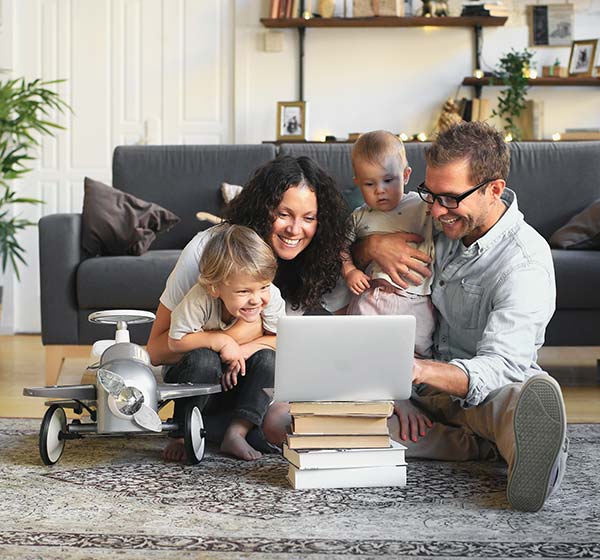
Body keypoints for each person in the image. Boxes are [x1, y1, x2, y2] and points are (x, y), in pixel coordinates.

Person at [352, 121, 568, 512]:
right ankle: (484, 448)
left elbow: (500, 365)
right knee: (340, 428)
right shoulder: (436, 222)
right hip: (420, 396)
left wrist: (416, 369)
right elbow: (365, 229)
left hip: (484, 388)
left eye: (450, 198)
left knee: (513, 399)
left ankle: (525, 443)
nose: (435, 210)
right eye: (430, 195)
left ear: (494, 190)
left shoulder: (524, 263)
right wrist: (372, 246)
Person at [146, 155, 350, 461]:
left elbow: (292, 345)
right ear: (264, 208)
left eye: (309, 218)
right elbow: (157, 349)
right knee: (206, 362)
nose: (296, 229)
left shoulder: (319, 262)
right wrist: (227, 339)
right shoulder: (209, 252)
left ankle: (232, 430)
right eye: (284, 214)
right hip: (201, 377)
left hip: (255, 386)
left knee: (286, 424)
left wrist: (247, 345)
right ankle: (190, 427)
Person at [166, 224, 285, 461]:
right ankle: (182, 433)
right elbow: (174, 342)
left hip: (235, 381)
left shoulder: (270, 296)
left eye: (263, 287)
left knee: (269, 359)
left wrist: (241, 350)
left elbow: (281, 339)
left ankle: (237, 431)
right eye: (243, 291)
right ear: (214, 288)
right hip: (197, 381)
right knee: (204, 358)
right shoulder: (199, 298)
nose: (256, 299)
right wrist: (220, 341)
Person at [342, 130, 435, 358]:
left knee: (417, 354)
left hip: (415, 299)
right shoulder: (359, 216)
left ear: (405, 175)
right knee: (357, 350)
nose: (380, 190)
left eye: (388, 180)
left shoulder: (422, 206)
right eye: (369, 183)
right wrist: (350, 270)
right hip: (372, 296)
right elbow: (341, 247)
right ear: (357, 183)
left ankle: (421, 390)